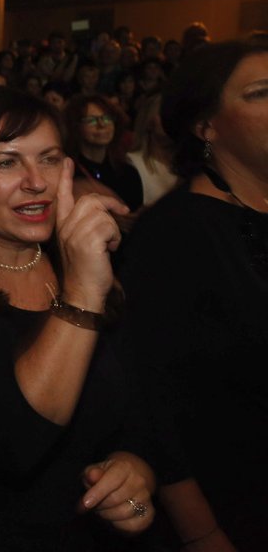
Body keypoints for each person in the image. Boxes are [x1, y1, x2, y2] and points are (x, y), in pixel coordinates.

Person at [0, 87, 156, 551]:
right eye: (6, 162)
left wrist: (134, 471)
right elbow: (16, 440)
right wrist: (81, 293)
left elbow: (137, 411)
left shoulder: (87, 271)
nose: (36, 181)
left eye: (50, 159)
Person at [119, 40, 268, 550]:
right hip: (234, 506)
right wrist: (200, 533)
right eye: (261, 93)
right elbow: (152, 405)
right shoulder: (174, 235)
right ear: (205, 125)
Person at [65, 95, 143, 216]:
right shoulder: (68, 173)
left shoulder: (128, 173)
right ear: (75, 127)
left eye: (107, 118)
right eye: (91, 120)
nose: (102, 125)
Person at [124, 92, 177, 207]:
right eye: (164, 114)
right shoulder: (133, 163)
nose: (171, 120)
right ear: (148, 122)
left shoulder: (186, 165)